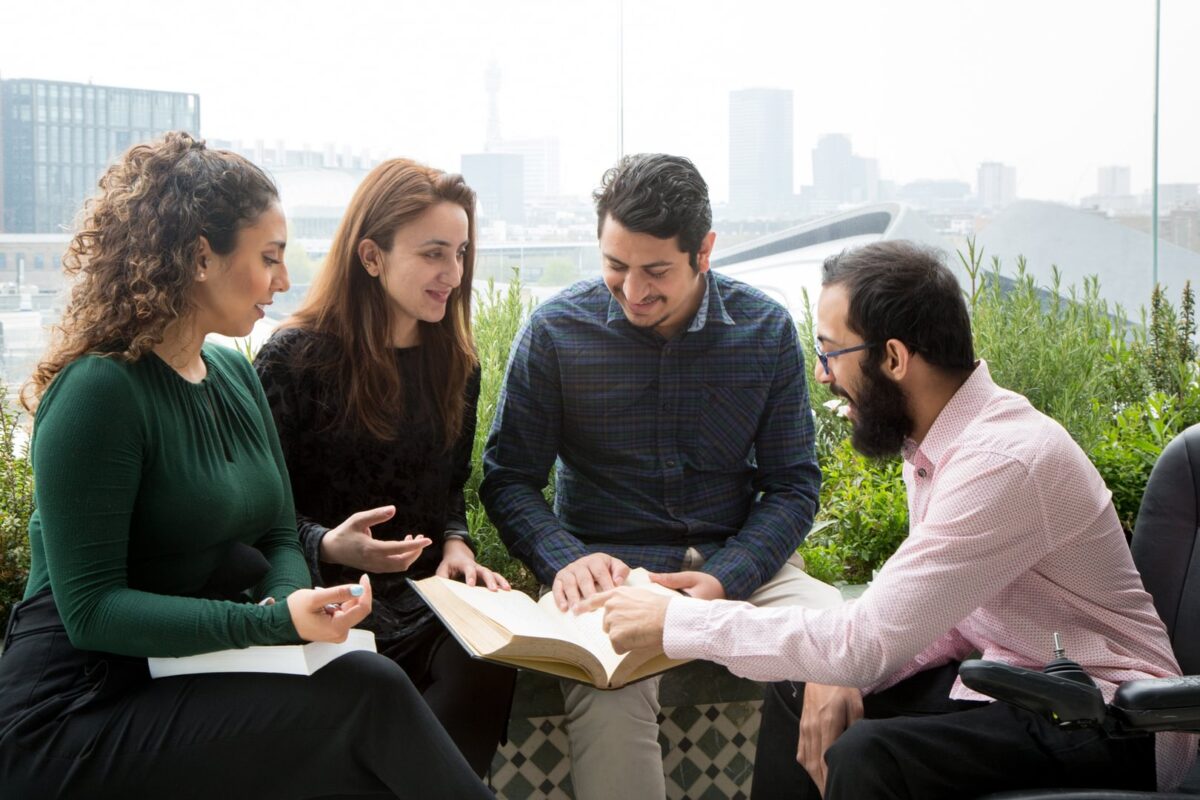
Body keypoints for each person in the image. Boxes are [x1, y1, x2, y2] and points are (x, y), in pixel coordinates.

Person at [580, 240, 1198, 798]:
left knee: (870, 756)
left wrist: (682, 622)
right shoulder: (937, 445)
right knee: (804, 687)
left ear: (895, 357)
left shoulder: (1003, 462)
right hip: (1018, 684)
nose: (823, 374)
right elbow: (939, 621)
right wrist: (834, 670)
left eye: (830, 353)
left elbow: (867, 642)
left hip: (1110, 717)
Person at [0, 132, 493, 799]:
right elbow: (91, 610)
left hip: (177, 671)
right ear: (202, 258)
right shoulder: (99, 393)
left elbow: (277, 535)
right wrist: (272, 624)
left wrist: (293, 603)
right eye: (269, 258)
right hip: (74, 708)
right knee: (364, 700)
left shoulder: (232, 373)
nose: (284, 281)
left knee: (364, 703)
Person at [480, 153, 843, 800]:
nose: (633, 292)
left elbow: (792, 485)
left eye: (656, 272)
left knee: (840, 641)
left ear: (704, 250)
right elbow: (508, 479)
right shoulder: (555, 332)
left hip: (741, 566)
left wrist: (724, 579)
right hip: (609, 574)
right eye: (615, 268)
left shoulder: (764, 330)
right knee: (607, 689)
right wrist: (564, 560)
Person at [254, 158, 516, 777]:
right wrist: (329, 545)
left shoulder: (458, 363)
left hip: (430, 602)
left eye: (460, 253)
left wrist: (456, 542)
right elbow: (256, 516)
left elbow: (450, 487)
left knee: (491, 657)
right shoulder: (294, 360)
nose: (452, 273)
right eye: (432, 254)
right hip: (329, 600)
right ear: (371, 256)